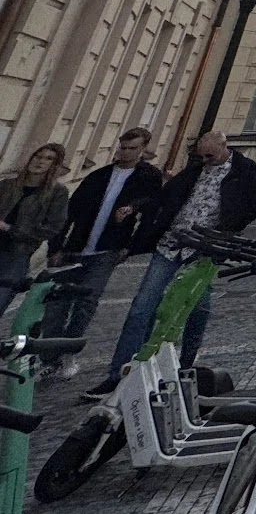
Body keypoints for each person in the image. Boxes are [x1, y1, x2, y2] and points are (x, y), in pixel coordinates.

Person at [92, 132, 256, 394]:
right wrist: (137, 209)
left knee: (196, 308)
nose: (205, 160)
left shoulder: (245, 170)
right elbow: (165, 198)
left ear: (223, 146)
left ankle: (185, 363)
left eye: (210, 155)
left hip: (205, 249)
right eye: (201, 155)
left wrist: (229, 228)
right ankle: (119, 372)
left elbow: (254, 204)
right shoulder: (194, 170)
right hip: (170, 245)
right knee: (142, 307)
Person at [44, 129, 164, 369]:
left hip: (108, 249)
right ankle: (48, 355)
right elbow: (69, 213)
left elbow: (151, 212)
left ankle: (68, 351)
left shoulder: (148, 177)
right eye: (123, 147)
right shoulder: (98, 176)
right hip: (76, 247)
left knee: (86, 301)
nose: (125, 152)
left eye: (132, 148)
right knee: (58, 301)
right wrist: (56, 247)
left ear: (143, 150)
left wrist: (129, 246)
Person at [0, 142, 72, 319]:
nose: (40, 161)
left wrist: (10, 229)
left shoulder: (57, 193)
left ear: (54, 165)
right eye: (38, 156)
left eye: (48, 159)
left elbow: (52, 228)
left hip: (17, 253)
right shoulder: (8, 185)